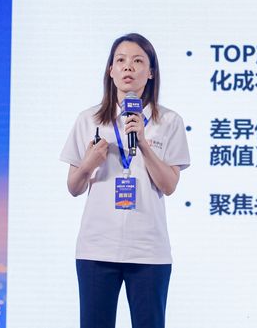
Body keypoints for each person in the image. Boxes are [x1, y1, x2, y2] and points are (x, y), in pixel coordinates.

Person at [60, 33, 190, 328]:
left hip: (148, 250)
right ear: (111, 70)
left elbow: (169, 185)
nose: (128, 67)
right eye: (120, 60)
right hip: (97, 247)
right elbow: (74, 187)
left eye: (138, 61)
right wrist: (88, 164)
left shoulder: (169, 121)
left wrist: (143, 144)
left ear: (151, 72)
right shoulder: (89, 119)